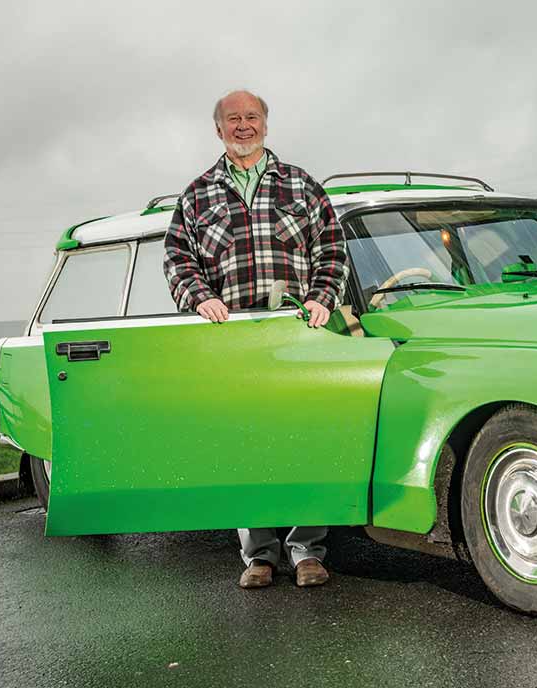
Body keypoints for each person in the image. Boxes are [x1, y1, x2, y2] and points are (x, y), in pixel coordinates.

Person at [163, 89, 348, 589]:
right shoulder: (197, 194)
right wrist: (199, 296)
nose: (243, 125)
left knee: (303, 437)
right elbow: (178, 259)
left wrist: (324, 297)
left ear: (266, 124)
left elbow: (332, 246)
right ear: (218, 129)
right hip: (234, 341)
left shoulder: (301, 185)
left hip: (297, 334)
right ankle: (259, 556)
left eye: (252, 117)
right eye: (232, 119)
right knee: (245, 444)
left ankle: (308, 550)